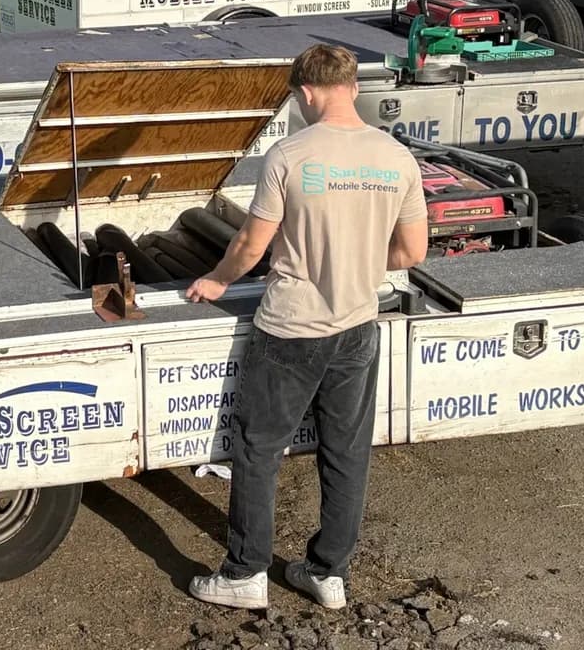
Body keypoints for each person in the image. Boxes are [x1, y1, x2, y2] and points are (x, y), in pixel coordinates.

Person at [184, 44, 429, 612]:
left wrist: (217, 282)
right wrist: (361, 258)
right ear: (355, 89)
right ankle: (328, 572)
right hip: (357, 328)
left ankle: (246, 573)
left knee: (258, 449)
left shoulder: (289, 155)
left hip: (291, 328)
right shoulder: (396, 157)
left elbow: (251, 244)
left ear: (306, 92)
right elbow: (412, 250)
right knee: (345, 452)